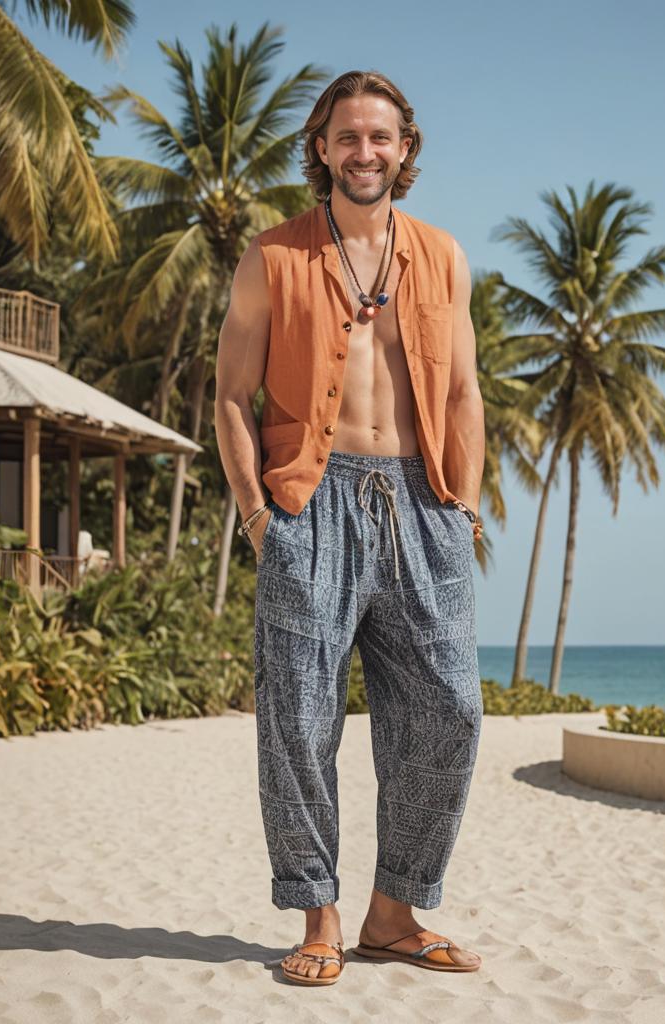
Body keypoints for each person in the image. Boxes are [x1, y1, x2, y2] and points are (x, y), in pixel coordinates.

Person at [215, 69, 485, 986]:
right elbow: (228, 398)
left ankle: (394, 913)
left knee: (450, 710)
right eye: (347, 137)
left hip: (423, 501)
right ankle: (319, 916)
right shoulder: (272, 257)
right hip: (310, 500)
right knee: (299, 716)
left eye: (380, 137)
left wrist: (466, 503)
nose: (364, 152)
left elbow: (462, 392)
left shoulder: (443, 255)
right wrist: (261, 516)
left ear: (404, 148)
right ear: (322, 148)